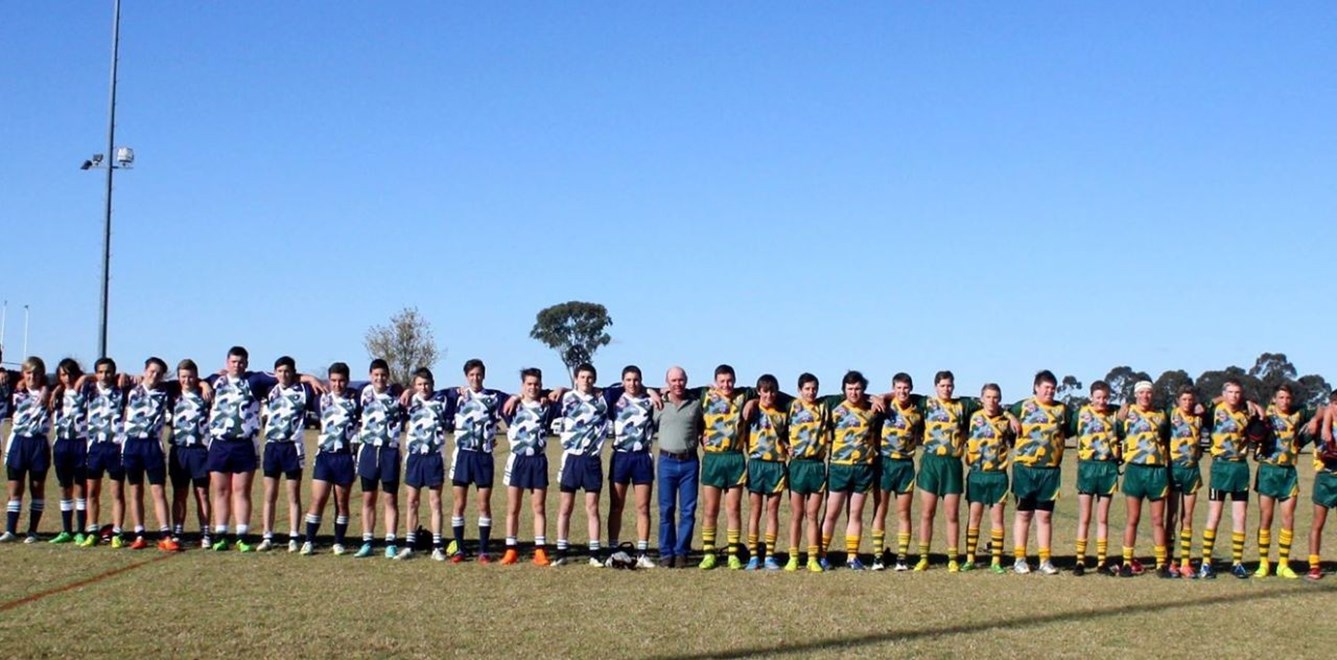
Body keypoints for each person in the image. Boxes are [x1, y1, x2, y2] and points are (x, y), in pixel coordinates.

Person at [442, 358, 511, 563]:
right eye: (471, 374)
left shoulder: (494, 397)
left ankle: (483, 550)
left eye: (478, 374)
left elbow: (519, 398)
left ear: (484, 375)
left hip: (483, 456)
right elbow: (430, 393)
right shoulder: (457, 395)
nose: (475, 378)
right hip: (463, 455)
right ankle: (460, 549)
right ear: (466, 376)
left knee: (483, 504)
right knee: (459, 503)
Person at [1252, 384, 1322, 578]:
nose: (1285, 401)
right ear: (1274, 399)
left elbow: (1322, 409)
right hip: (1268, 470)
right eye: (1281, 397)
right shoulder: (1266, 415)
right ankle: (1264, 563)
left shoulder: (1298, 413)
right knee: (1266, 518)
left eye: (1288, 398)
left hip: (1289, 472)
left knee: (1288, 518)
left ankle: (1283, 564)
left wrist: (1315, 420)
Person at [914, 370, 980, 571]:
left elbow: (990, 404)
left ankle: (952, 558)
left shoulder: (963, 405)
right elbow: (900, 394)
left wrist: (1010, 416)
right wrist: (878, 397)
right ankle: (924, 557)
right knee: (927, 513)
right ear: (935, 387)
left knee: (952, 514)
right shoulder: (926, 403)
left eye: (949, 385)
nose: (946, 389)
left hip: (952, 464)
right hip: (931, 462)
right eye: (942, 385)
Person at [818, 371, 882, 570]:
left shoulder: (873, 409)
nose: (854, 392)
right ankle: (822, 554)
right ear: (844, 390)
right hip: (839, 467)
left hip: (863, 468)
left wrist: (874, 398)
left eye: (858, 389)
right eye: (850, 389)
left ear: (864, 390)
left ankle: (852, 556)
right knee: (831, 513)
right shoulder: (834, 406)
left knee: (855, 513)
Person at [1007, 370, 1069, 576]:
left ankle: (1045, 560)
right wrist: (1010, 417)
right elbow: (1002, 411)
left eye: (1053, 388)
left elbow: (1072, 428)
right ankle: (1020, 559)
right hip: (1025, 469)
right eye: (1046, 388)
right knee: (1024, 513)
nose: (1050, 391)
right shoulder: (1023, 406)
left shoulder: (1062, 410)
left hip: (1049, 471)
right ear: (1036, 387)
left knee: (1045, 516)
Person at [1198, 379, 1261, 579]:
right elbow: (1200, 408)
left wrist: (1252, 404)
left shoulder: (1247, 412)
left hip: (1240, 468)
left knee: (1240, 517)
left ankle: (1237, 563)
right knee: (1214, 516)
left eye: (1237, 392)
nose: (1234, 396)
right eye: (1230, 392)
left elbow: (1261, 421)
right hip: (1220, 467)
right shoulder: (1215, 411)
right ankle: (1206, 563)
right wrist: (1219, 398)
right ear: (1224, 394)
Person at [552, 363, 612, 566]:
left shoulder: (603, 399)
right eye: (582, 377)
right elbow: (536, 393)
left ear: (594, 380)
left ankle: (594, 554)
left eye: (590, 377)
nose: (586, 381)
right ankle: (561, 553)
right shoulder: (565, 397)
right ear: (576, 379)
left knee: (592, 508)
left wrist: (653, 391)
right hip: (571, 459)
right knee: (565, 507)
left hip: (592, 460)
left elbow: (626, 387)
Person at [258, 356, 317, 552]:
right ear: (275, 373)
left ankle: (293, 536)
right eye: (280, 371)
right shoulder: (269, 388)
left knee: (293, 495)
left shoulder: (303, 390)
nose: (283, 375)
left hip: (293, 448)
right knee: (269, 494)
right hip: (272, 446)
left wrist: (310, 378)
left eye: (287, 371)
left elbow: (317, 388)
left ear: (293, 373)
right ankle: (267, 536)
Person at [300, 362, 360, 556]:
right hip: (325, 456)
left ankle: (339, 542)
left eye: (341, 380)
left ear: (347, 381)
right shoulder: (320, 398)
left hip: (345, 456)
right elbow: (291, 378)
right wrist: (310, 378)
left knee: (342, 502)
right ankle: (309, 541)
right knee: (318, 500)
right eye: (333, 380)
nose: (337, 384)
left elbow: (382, 387)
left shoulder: (356, 399)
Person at [499, 368, 556, 566]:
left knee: (539, 507)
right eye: (529, 384)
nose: (533, 387)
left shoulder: (547, 407)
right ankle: (511, 549)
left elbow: (564, 394)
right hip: (518, 460)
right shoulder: (511, 406)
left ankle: (540, 550)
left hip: (538, 461)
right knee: (513, 507)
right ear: (522, 385)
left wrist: (549, 393)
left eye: (536, 384)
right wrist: (515, 397)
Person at [119, 357, 177, 551]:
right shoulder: (130, 388)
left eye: (159, 373)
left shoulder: (166, 391)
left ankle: (165, 534)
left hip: (153, 446)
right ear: (144, 370)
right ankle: (139, 534)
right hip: (132, 445)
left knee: (158, 491)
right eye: (152, 371)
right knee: (135, 491)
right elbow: (101, 378)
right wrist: (124, 375)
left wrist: (204, 384)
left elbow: (193, 380)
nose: (154, 376)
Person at [696, 365, 749, 570]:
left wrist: (753, 402)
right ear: (715, 382)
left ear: (734, 380)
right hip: (713, 459)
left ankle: (733, 554)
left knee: (733, 509)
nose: (726, 385)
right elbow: (679, 392)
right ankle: (709, 553)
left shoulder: (744, 395)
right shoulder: (705, 394)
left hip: (734, 458)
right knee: (710, 509)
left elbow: (769, 392)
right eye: (722, 381)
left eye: (729, 381)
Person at [605, 365, 659, 568]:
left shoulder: (649, 401)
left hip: (642, 457)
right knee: (616, 506)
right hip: (621, 456)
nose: (632, 384)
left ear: (641, 381)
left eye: (636, 380)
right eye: (628, 380)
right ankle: (612, 551)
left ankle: (643, 553)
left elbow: (668, 390)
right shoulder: (614, 398)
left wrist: (651, 391)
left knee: (643, 507)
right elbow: (595, 390)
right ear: (622, 381)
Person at [1116, 381, 1171, 578]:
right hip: (1135, 470)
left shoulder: (1161, 415)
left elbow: (1167, 438)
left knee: (1158, 520)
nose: (1145, 396)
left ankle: (1161, 564)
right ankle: (1127, 562)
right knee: (1132, 519)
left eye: (1149, 392)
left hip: (1157, 470)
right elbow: (1116, 432)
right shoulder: (1126, 412)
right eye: (1142, 392)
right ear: (1136, 395)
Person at [353, 359, 405, 559]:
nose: (379, 378)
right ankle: (367, 542)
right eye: (376, 375)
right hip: (368, 450)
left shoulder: (397, 394)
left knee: (390, 498)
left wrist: (408, 389)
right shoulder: (362, 392)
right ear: (370, 376)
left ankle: (391, 542)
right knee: (368, 498)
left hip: (389, 451)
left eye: (383, 375)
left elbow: (415, 393)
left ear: (388, 376)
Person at [1069, 381, 1121, 576]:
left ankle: (1101, 562)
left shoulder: (1115, 414)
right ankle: (1080, 561)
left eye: (1105, 397)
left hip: (1107, 468)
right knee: (1084, 517)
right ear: (1091, 397)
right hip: (1087, 467)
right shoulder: (1081, 414)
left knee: (1103, 518)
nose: (1102, 401)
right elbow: (1068, 429)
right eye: (1098, 397)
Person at [398, 368, 450, 561]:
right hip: (415, 457)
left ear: (433, 384)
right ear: (414, 385)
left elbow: (459, 391)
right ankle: (410, 545)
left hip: (434, 456)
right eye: (419, 384)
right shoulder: (409, 400)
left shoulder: (442, 399)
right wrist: (409, 391)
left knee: (435, 502)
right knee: (412, 501)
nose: (423, 387)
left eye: (426, 384)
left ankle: (437, 546)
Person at [653, 366, 701, 568]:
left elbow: (704, 426)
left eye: (680, 380)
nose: (677, 384)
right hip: (667, 461)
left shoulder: (696, 403)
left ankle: (681, 552)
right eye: (673, 380)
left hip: (689, 462)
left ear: (686, 380)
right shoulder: (659, 404)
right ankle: (666, 552)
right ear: (667, 382)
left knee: (688, 511)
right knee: (666, 510)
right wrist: (652, 391)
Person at [873, 373, 922, 571]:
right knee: (880, 509)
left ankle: (902, 557)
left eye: (906, 388)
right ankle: (878, 556)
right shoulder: (884, 407)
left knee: (904, 512)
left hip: (905, 465)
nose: (902, 391)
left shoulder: (918, 409)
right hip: (885, 462)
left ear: (911, 389)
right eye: (898, 388)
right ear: (893, 388)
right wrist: (882, 397)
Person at [963, 383, 1013, 574]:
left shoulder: (1005, 421)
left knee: (997, 519)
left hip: (998, 476)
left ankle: (996, 561)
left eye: (995, 397)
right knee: (974, 517)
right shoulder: (972, 416)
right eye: (988, 397)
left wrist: (1009, 415)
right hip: (977, 474)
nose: (992, 401)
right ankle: (970, 558)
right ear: (981, 398)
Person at [740, 374, 788, 571]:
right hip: (756, 464)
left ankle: (769, 555)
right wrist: (752, 401)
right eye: (765, 391)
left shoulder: (783, 413)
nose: (769, 395)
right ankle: (753, 556)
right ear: (759, 391)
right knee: (755, 511)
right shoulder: (751, 409)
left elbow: (786, 437)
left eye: (772, 392)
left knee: (772, 512)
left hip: (776, 465)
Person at [79, 357, 129, 547]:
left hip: (115, 447)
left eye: (108, 372)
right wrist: (87, 377)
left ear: (113, 373)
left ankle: (117, 532)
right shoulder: (89, 390)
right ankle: (92, 531)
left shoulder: (122, 390)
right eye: (100, 372)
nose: (104, 375)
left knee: (117, 492)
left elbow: (139, 379)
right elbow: (67, 383)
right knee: (92, 491)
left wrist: (124, 375)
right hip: (95, 447)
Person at [1, 357, 51, 543]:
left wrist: (47, 389)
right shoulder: (15, 386)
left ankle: (32, 531)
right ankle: (10, 530)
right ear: (23, 373)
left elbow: (70, 380)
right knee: (15, 488)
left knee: (37, 488)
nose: (32, 377)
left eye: (36, 373)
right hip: (18, 442)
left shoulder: (51, 389)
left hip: (39, 443)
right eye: (28, 373)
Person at [783, 373, 828, 572]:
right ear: (799, 390)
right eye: (807, 389)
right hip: (798, 465)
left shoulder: (824, 405)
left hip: (816, 466)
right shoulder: (790, 406)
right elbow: (778, 427)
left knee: (812, 514)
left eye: (814, 388)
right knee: (797, 514)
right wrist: (785, 444)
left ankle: (812, 557)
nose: (811, 392)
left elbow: (850, 394)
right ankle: (793, 557)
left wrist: (875, 398)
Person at [168, 359, 213, 548]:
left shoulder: (205, 394)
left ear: (197, 376)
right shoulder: (172, 393)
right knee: (179, 493)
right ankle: (177, 531)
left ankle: (205, 532)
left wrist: (204, 384)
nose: (187, 380)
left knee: (202, 493)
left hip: (199, 450)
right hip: (179, 450)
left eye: (191, 376)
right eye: (183, 377)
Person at [1164, 385, 1206, 578]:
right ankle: (1169, 560)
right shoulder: (1170, 414)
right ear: (1177, 401)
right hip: (1174, 469)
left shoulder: (1199, 416)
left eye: (1191, 400)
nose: (1188, 403)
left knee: (1187, 517)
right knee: (1172, 516)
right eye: (1184, 400)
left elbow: (1214, 405)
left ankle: (1185, 562)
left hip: (1192, 470)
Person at [48, 359, 89, 544]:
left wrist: (86, 377)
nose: (67, 378)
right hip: (62, 444)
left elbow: (106, 377)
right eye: (63, 374)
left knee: (80, 486)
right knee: (65, 487)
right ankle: (66, 530)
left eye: (71, 374)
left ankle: (80, 530)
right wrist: (54, 390)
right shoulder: (56, 393)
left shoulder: (85, 390)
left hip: (80, 443)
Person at [1307, 397, 1337, 580]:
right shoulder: (1322, 421)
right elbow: (1319, 409)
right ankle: (1314, 566)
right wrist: (1321, 421)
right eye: (1336, 404)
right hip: (1325, 477)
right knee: (1317, 524)